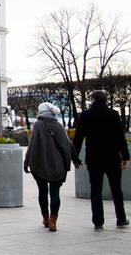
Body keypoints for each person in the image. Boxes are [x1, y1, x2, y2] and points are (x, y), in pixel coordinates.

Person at [73, 90, 130, 230]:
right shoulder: (113, 114)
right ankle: (121, 218)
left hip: (94, 158)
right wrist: (125, 156)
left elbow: (78, 138)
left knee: (96, 190)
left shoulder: (85, 115)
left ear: (93, 100)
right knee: (116, 188)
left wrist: (75, 157)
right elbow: (120, 137)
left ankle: (98, 222)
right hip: (112, 157)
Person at [24, 102, 80, 232]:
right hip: (58, 166)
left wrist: (26, 162)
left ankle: (45, 218)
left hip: (40, 164)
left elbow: (32, 144)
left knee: (42, 192)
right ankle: (53, 221)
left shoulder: (38, 125)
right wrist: (75, 160)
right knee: (55, 193)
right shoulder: (59, 125)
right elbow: (68, 144)